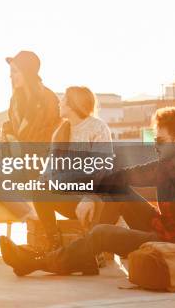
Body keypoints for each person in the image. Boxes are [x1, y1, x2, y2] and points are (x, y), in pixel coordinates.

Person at [0, 107, 175, 277]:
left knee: (102, 234)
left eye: (160, 140)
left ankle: (35, 263)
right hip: (162, 227)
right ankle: (87, 256)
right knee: (119, 190)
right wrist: (91, 195)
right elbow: (119, 176)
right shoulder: (163, 167)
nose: (154, 145)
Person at [0, 51, 61, 251]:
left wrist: (19, 144)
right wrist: (8, 133)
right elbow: (12, 125)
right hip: (20, 160)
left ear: (27, 72)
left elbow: (49, 136)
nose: (11, 76)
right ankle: (26, 220)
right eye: (11, 72)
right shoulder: (15, 99)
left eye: (15, 71)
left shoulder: (48, 99)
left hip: (41, 165)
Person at [33, 86, 113, 251]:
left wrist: (89, 197)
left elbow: (103, 169)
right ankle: (53, 243)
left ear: (73, 104)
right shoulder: (61, 132)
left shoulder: (97, 128)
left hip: (96, 200)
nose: (59, 103)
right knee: (39, 187)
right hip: (72, 199)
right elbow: (50, 168)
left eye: (63, 100)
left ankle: (93, 246)